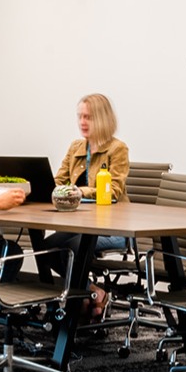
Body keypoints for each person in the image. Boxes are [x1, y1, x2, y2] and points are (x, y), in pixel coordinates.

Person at [36, 94, 130, 317]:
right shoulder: (76, 147)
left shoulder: (118, 149)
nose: (82, 122)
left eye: (88, 117)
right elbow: (59, 182)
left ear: (103, 118)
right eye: (80, 117)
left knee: (72, 249)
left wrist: (79, 192)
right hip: (79, 225)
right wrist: (46, 189)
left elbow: (114, 190)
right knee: (45, 250)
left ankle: (74, 305)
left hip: (112, 228)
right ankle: (93, 292)